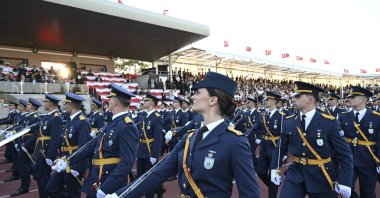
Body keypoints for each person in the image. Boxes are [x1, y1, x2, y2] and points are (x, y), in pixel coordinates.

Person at [107, 71, 261, 198]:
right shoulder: (189, 137)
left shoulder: (234, 142)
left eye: (198, 93)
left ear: (213, 100)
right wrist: (119, 195)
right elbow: (157, 173)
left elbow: (250, 193)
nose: (192, 97)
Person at [52, 83, 139, 198]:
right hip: (98, 177)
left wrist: (106, 188)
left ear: (114, 102)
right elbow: (91, 145)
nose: (107, 102)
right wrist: (68, 160)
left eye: (109, 100)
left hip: (110, 181)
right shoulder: (114, 122)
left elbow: (127, 162)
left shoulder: (127, 126)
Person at [270, 81, 353, 198]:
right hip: (296, 173)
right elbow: (281, 147)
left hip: (322, 175)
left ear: (310, 99)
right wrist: (274, 168)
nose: (293, 99)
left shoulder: (329, 122)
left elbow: (344, 154)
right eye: (293, 95)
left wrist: (345, 182)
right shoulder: (289, 121)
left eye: (297, 96)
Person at [45, 92, 91, 198]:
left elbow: (83, 148)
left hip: (74, 164)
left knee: (73, 193)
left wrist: (78, 168)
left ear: (71, 105)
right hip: (64, 161)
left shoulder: (82, 122)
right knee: (51, 188)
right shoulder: (71, 120)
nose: (64, 106)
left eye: (66, 104)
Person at [338, 86, 380, 198]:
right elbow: (339, 140)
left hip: (368, 160)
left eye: (353, 97)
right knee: (347, 190)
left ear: (363, 100)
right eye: (349, 97)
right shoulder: (343, 117)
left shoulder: (376, 117)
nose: (349, 99)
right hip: (348, 160)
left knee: (368, 192)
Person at [252, 91, 284, 198]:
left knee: (273, 174)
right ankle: (273, 185)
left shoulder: (281, 116)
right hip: (264, 147)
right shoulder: (263, 115)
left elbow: (284, 136)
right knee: (260, 172)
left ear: (274, 101)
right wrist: (242, 138)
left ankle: (272, 194)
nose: (265, 101)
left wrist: (284, 152)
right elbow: (254, 128)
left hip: (275, 148)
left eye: (267, 100)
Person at [33, 94, 63, 198]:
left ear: (49, 103)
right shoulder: (48, 116)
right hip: (41, 151)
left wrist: (50, 156)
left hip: (46, 152)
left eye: (45, 102)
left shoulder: (55, 117)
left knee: (43, 178)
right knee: (39, 176)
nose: (44, 104)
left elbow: (56, 139)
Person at [136, 92, 165, 198]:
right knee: (139, 178)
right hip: (141, 151)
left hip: (150, 152)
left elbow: (158, 139)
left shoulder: (157, 117)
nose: (144, 102)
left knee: (149, 179)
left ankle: (156, 192)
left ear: (152, 103)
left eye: (147, 100)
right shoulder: (144, 116)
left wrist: (154, 155)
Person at [11, 98, 41, 196]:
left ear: (32, 106)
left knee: (24, 166)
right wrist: (18, 142)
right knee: (24, 166)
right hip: (24, 144)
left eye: (28, 104)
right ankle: (25, 184)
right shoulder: (28, 117)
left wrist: (25, 145)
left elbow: (36, 134)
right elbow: (22, 131)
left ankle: (24, 187)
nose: (26, 106)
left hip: (29, 147)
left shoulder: (35, 117)